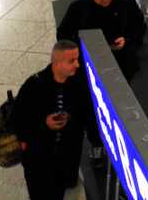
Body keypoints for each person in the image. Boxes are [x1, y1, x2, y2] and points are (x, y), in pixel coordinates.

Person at [11, 41, 94, 200]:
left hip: (65, 159)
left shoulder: (78, 85)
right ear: (56, 63)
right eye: (71, 61)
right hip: (39, 162)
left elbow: (86, 114)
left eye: (77, 59)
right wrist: (44, 124)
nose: (77, 64)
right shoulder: (34, 86)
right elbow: (18, 121)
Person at [56, 0, 145, 78]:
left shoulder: (126, 2)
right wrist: (82, 49)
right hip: (88, 60)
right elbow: (63, 34)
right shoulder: (78, 8)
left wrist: (127, 39)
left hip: (121, 59)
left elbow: (140, 26)